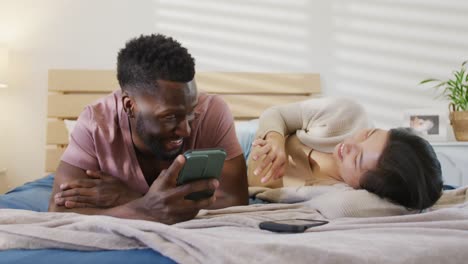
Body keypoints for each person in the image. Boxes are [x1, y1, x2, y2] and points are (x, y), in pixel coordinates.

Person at [48, 34, 249, 223]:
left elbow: (236, 201)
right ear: (129, 105)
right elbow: (58, 212)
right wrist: (145, 208)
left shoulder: (213, 112)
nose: (186, 130)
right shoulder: (96, 124)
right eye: (169, 117)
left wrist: (135, 200)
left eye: (191, 112)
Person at [248, 97, 443, 210]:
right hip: (247, 143)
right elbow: (276, 114)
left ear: (367, 188)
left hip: (244, 189)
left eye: (357, 159)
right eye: (369, 133)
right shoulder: (347, 114)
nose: (350, 145)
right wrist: (274, 138)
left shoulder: (340, 195)